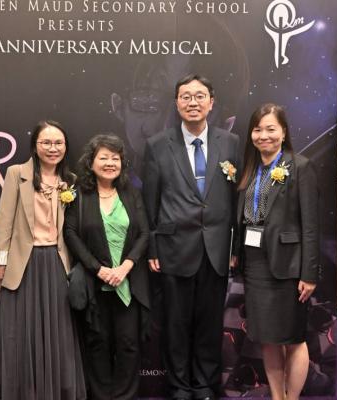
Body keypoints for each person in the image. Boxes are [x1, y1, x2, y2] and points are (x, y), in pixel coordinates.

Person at [142, 74, 240, 400]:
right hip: (173, 248)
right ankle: (179, 386)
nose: (193, 102)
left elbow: (237, 201)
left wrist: (235, 247)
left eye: (199, 96)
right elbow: (149, 202)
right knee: (175, 323)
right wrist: (153, 247)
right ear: (176, 103)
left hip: (216, 248)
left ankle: (204, 384)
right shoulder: (158, 144)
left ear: (211, 102)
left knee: (210, 322)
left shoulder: (231, 143)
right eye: (186, 96)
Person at [0, 120, 86, 400]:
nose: (53, 148)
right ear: (35, 146)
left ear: (65, 146)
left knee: (56, 333)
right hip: (23, 264)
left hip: (56, 263)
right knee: (20, 333)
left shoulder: (71, 181)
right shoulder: (17, 173)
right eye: (46, 143)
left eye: (58, 143)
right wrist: (0, 262)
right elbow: (4, 221)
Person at [235, 103, 319, 400]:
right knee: (268, 339)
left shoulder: (300, 166)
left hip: (289, 266)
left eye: (271, 129)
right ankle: (276, 396)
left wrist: (309, 273)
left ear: (283, 132)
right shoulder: (250, 168)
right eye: (257, 129)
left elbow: (311, 225)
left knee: (293, 338)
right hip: (256, 264)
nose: (264, 135)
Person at [64, 134, 150, 400]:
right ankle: (101, 396)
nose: (110, 163)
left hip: (128, 281)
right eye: (104, 157)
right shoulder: (80, 195)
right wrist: (98, 269)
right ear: (91, 163)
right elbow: (70, 233)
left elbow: (144, 233)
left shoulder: (131, 193)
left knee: (129, 344)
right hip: (95, 282)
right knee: (97, 344)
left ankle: (125, 396)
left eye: (116, 158)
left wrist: (125, 267)